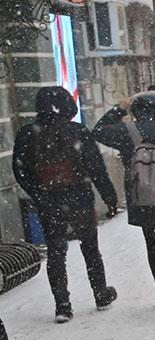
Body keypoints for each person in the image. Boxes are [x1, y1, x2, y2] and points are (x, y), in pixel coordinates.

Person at [11, 87, 119, 321]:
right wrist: (110, 199)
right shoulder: (78, 131)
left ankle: (62, 305)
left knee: (56, 252)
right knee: (90, 248)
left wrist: (39, 193)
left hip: (49, 202)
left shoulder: (27, 134)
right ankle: (100, 294)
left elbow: (20, 171)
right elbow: (96, 169)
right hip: (79, 198)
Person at [91, 90, 155, 317]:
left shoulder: (127, 131)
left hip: (142, 198)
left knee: (153, 245)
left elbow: (98, 131)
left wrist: (120, 108)